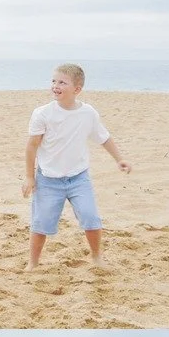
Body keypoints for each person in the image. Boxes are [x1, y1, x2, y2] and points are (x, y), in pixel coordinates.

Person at [23, 64, 131, 271]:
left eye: (62, 82)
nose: (55, 86)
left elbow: (104, 137)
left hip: (78, 178)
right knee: (41, 223)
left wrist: (119, 159)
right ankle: (33, 263)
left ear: (77, 89)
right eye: (53, 81)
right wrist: (30, 177)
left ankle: (97, 257)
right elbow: (31, 146)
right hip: (48, 179)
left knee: (91, 217)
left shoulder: (88, 113)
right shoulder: (42, 113)